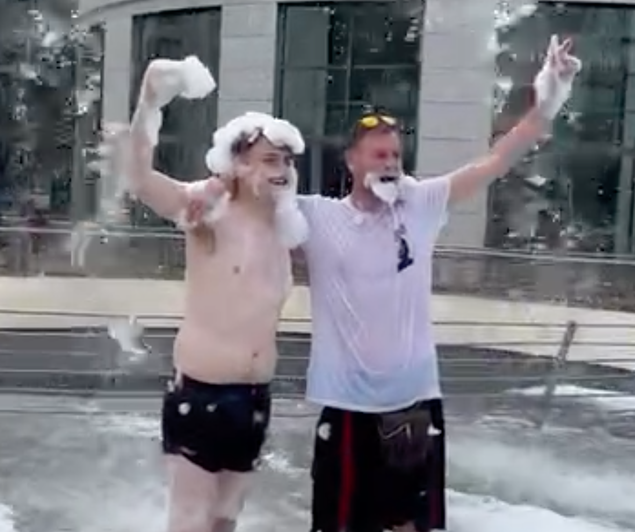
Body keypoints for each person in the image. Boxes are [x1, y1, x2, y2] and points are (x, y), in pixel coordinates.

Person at [185, 35, 580, 532]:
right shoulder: (317, 216)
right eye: (379, 155)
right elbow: (256, 186)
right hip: (347, 408)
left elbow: (497, 160)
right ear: (352, 162)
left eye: (395, 155)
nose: (391, 164)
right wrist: (215, 185)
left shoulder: (421, 204)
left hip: (414, 405)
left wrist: (548, 98)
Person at [105, 56, 309, 532]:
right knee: (190, 523)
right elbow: (140, 179)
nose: (281, 170)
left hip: (255, 397)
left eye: (286, 160)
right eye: (269, 160)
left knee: (224, 522)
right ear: (239, 165)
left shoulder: (287, 226)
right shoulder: (209, 211)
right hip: (200, 395)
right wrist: (149, 102)